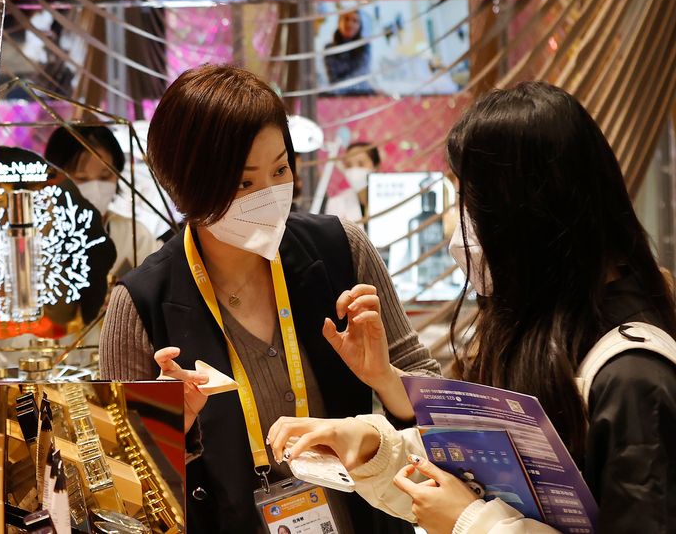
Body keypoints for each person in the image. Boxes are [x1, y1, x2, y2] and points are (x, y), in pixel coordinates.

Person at [268, 82, 676, 533]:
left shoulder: (632, 375)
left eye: (469, 203)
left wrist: (470, 521)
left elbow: (477, 507)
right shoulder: (537, 334)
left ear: (528, 210)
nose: (458, 228)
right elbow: (482, 476)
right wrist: (371, 445)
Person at [99, 65, 438, 534]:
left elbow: (441, 414)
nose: (270, 195)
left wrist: (386, 378)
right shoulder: (141, 303)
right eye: (244, 183)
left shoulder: (341, 249)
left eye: (280, 170)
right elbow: (118, 493)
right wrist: (171, 427)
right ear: (187, 183)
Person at [43, 124, 162, 276]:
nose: (96, 188)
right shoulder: (36, 237)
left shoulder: (134, 236)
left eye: (105, 177)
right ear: (54, 179)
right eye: (82, 178)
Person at [324, 142, 381, 223]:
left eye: (361, 164)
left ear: (376, 166)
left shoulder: (392, 199)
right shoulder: (336, 203)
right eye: (349, 165)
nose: (354, 170)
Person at [324, 11, 374, 95]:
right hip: (338, 96)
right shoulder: (329, 48)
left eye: (355, 21)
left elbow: (360, 75)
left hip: (362, 94)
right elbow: (332, 79)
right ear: (339, 22)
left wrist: (337, 89)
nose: (350, 24)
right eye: (346, 19)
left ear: (360, 25)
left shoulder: (364, 46)